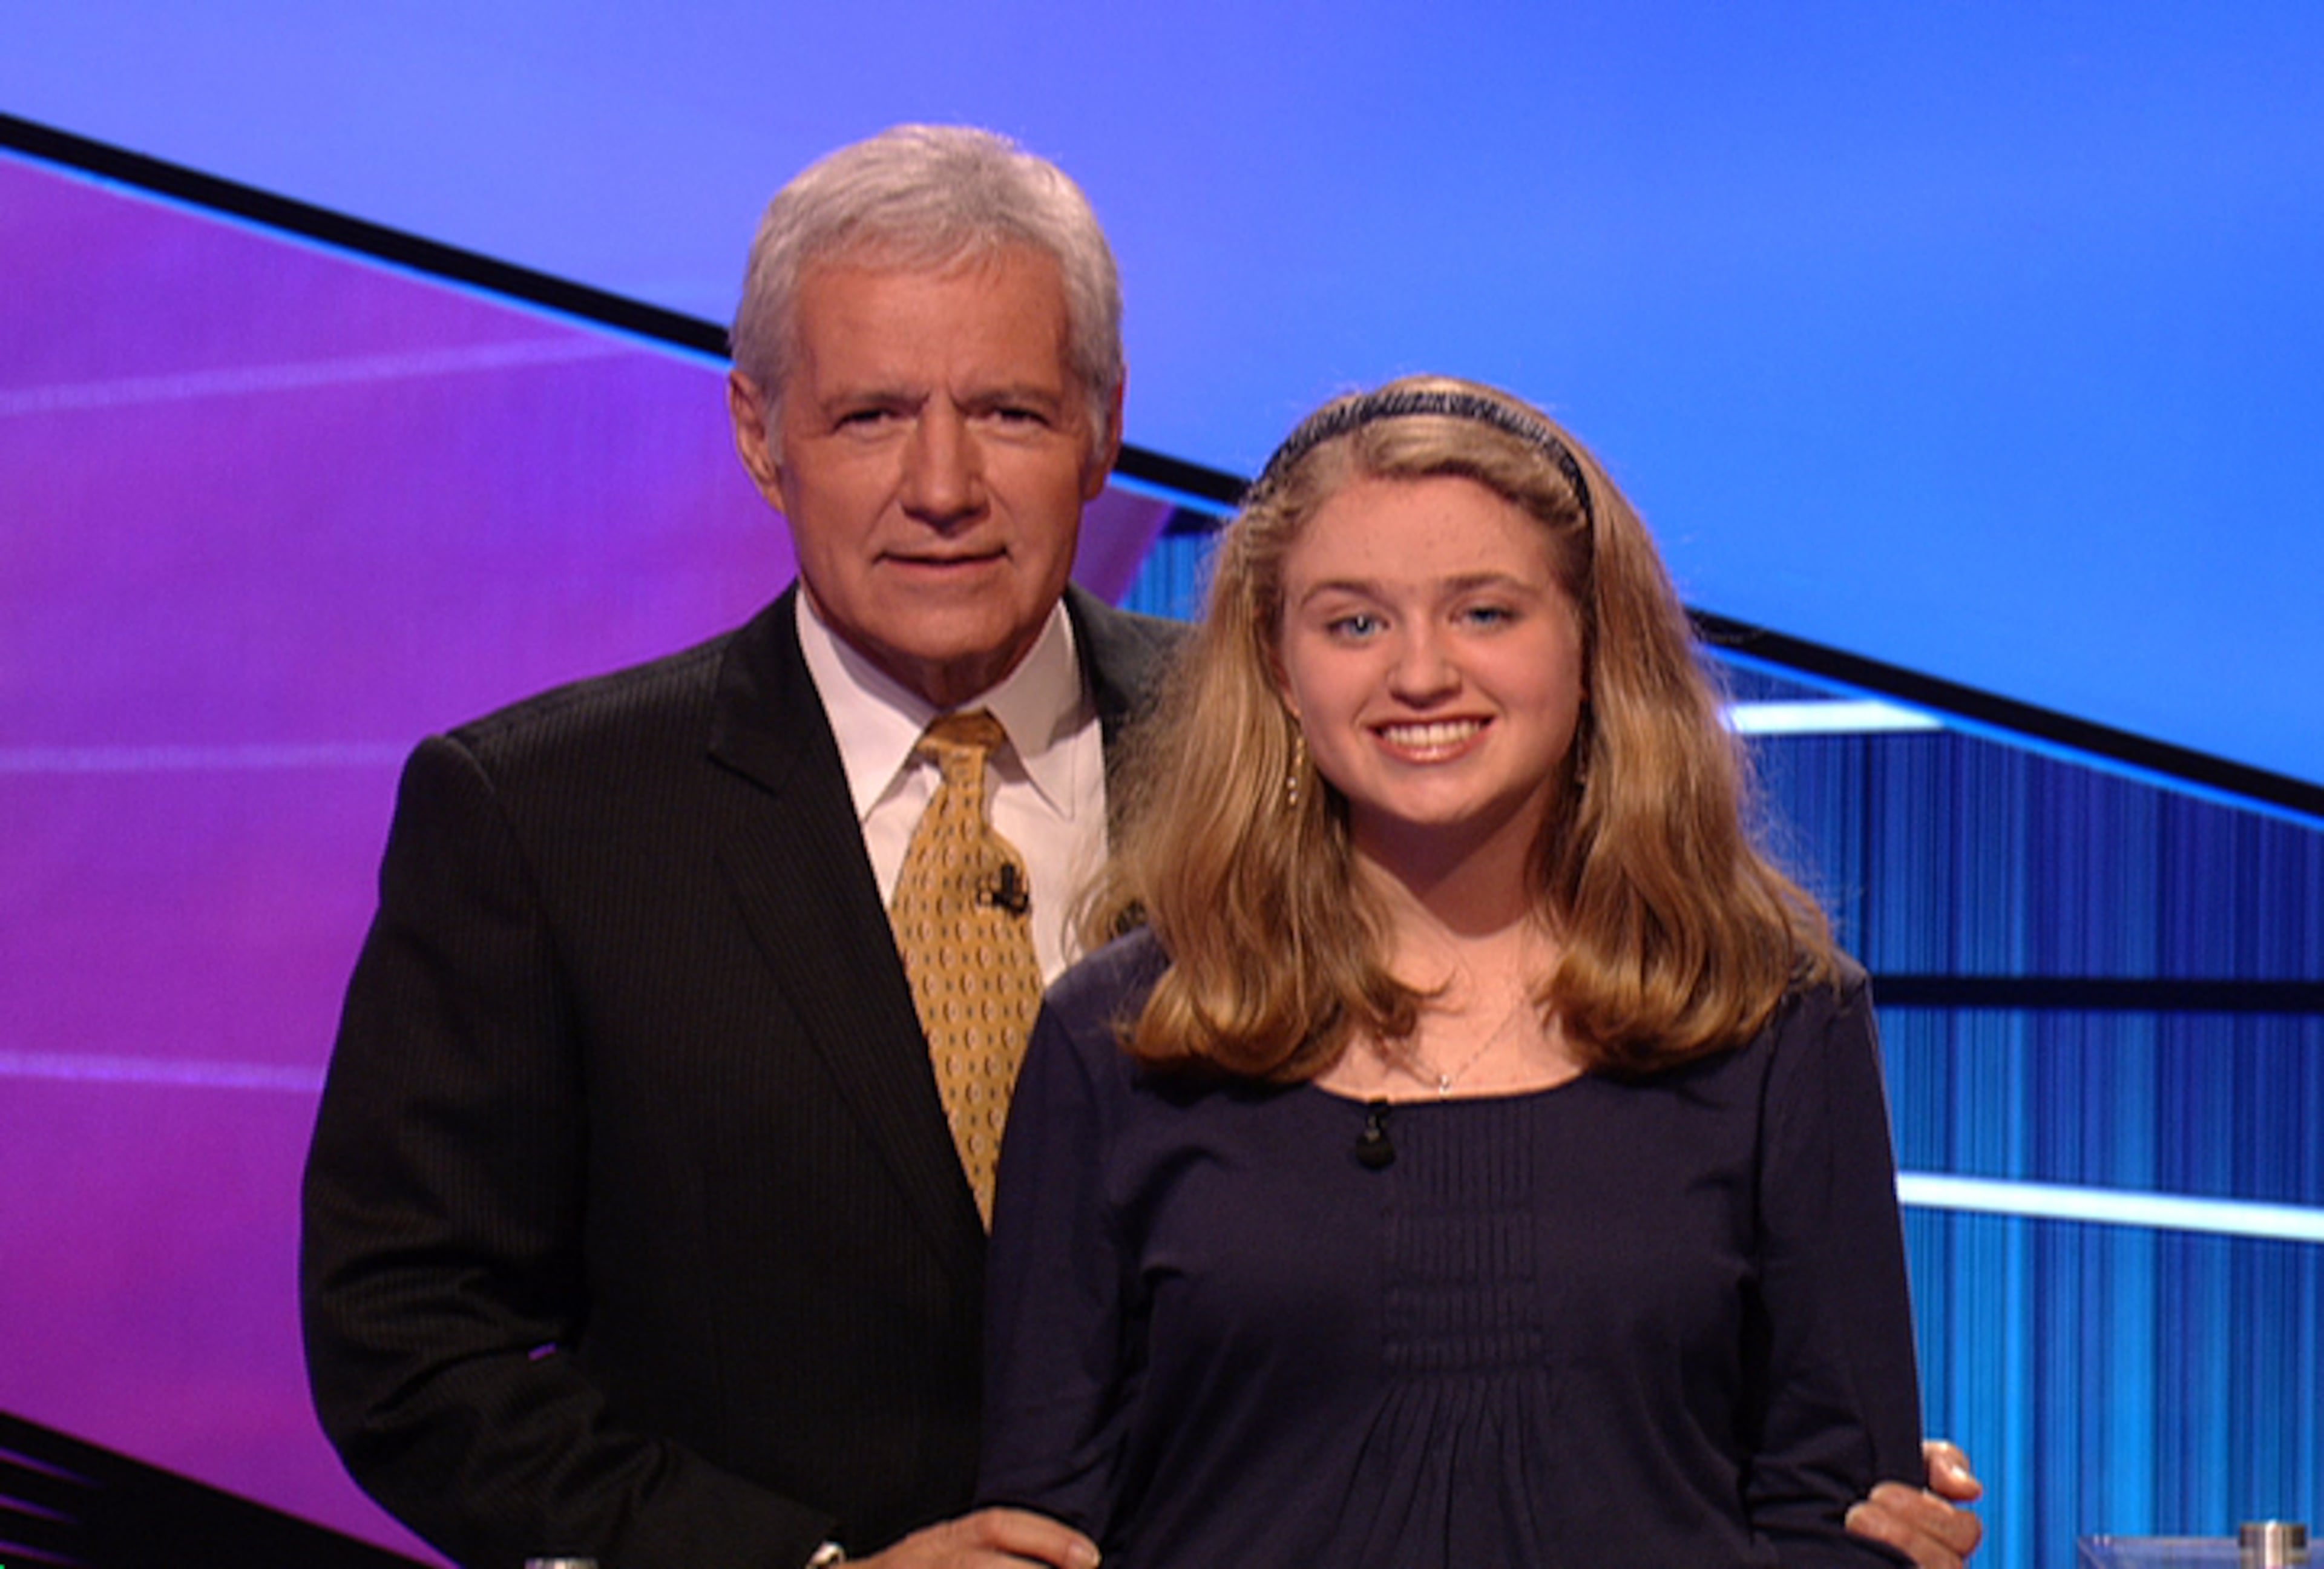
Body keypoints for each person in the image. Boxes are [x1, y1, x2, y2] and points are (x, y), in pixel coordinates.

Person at [303, 125, 1984, 1568]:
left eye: (1012, 414)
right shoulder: (547, 815)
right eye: (876, 413)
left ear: (1106, 424)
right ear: (760, 433)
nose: (945, 484)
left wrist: (1830, 1498)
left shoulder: (1334, 746)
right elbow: (412, 1342)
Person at [977, 375, 1943, 1567]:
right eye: (1354, 623)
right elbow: (1038, 1533)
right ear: (1281, 669)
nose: (1421, 673)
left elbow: (1842, 1518)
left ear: (1594, 642)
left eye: (1485, 613)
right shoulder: (1123, 1038)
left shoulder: (1776, 1022)